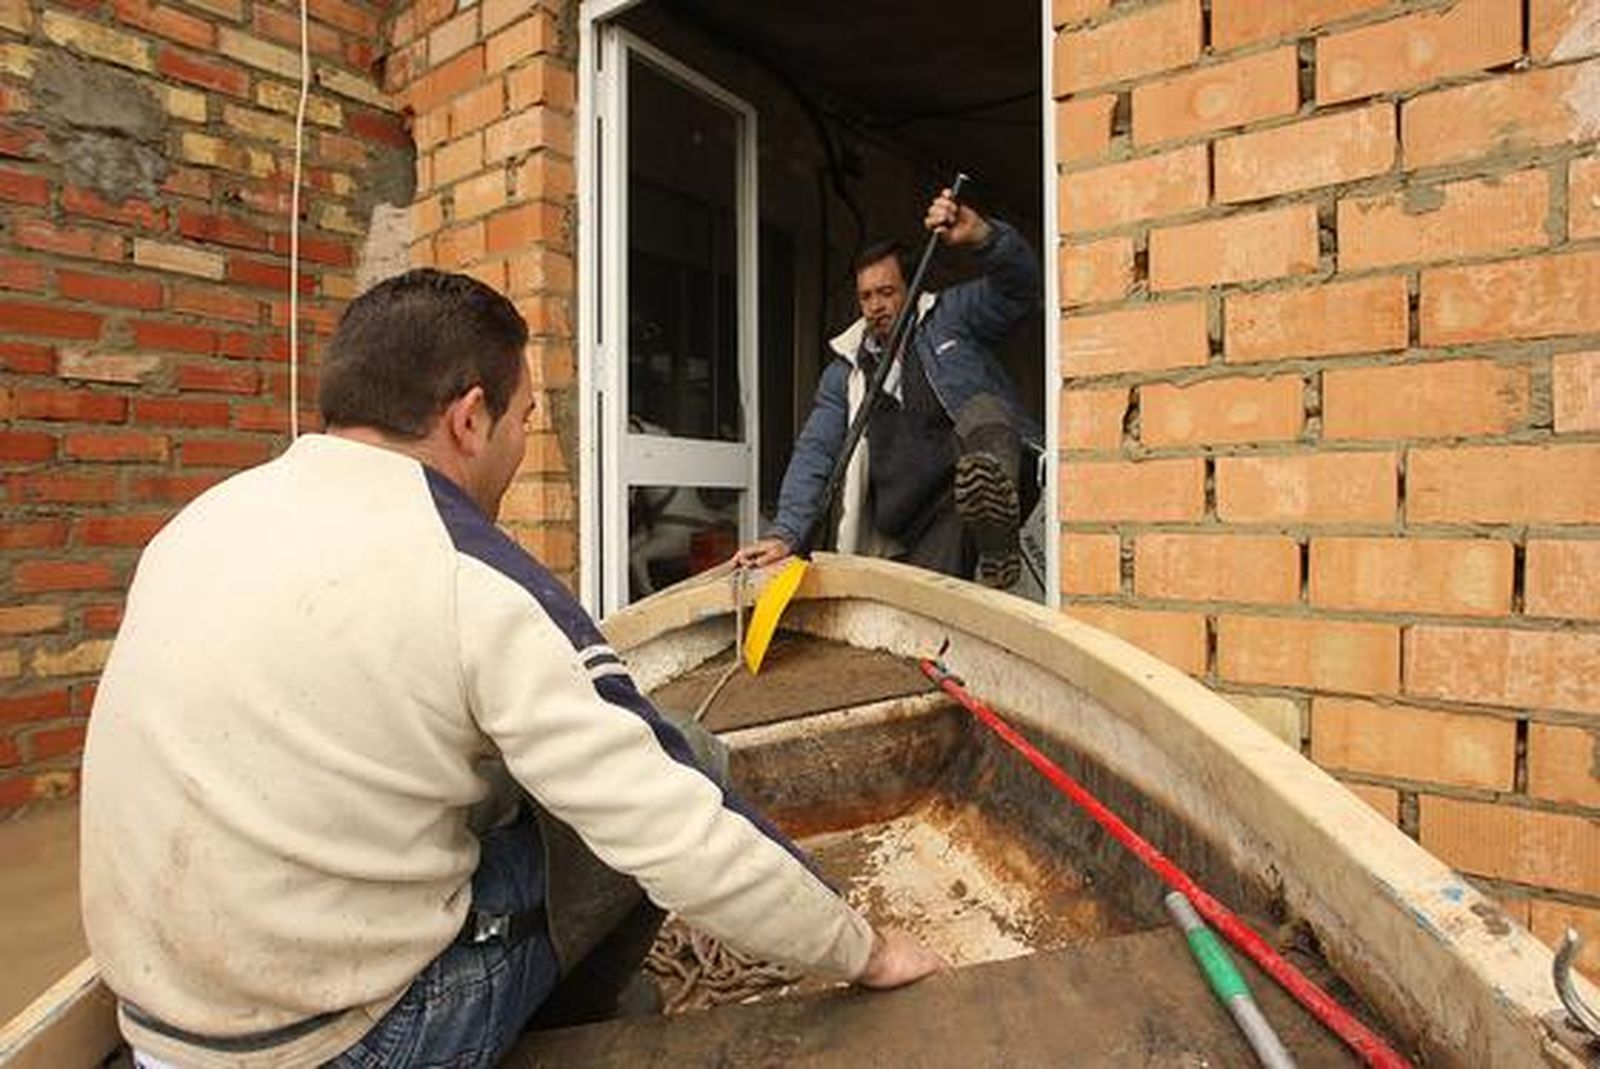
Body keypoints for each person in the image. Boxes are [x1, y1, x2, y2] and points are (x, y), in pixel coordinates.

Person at [79, 269, 944, 1069]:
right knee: (688, 759)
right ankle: (573, 1025)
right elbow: (672, 824)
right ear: (468, 417)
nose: (528, 444)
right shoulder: (473, 573)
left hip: (159, 1029)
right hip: (345, 1048)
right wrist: (864, 947)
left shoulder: (203, 520)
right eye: (527, 418)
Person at [735, 188, 1041, 588]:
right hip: (914, 521)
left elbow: (1020, 290)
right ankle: (989, 543)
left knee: (985, 412)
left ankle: (995, 535)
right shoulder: (843, 373)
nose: (875, 306)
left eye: (886, 292)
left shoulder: (952, 318)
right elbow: (815, 453)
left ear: (912, 291)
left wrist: (983, 236)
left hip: (973, 484)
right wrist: (785, 534)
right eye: (865, 296)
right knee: (929, 617)